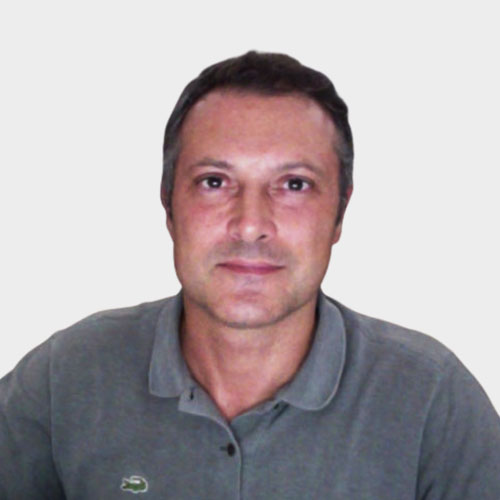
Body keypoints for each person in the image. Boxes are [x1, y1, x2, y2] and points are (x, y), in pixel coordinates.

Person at [1, 51, 499, 499]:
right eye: (214, 182)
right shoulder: (66, 379)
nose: (250, 224)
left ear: (340, 213)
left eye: (294, 185)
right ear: (169, 205)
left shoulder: (431, 402)